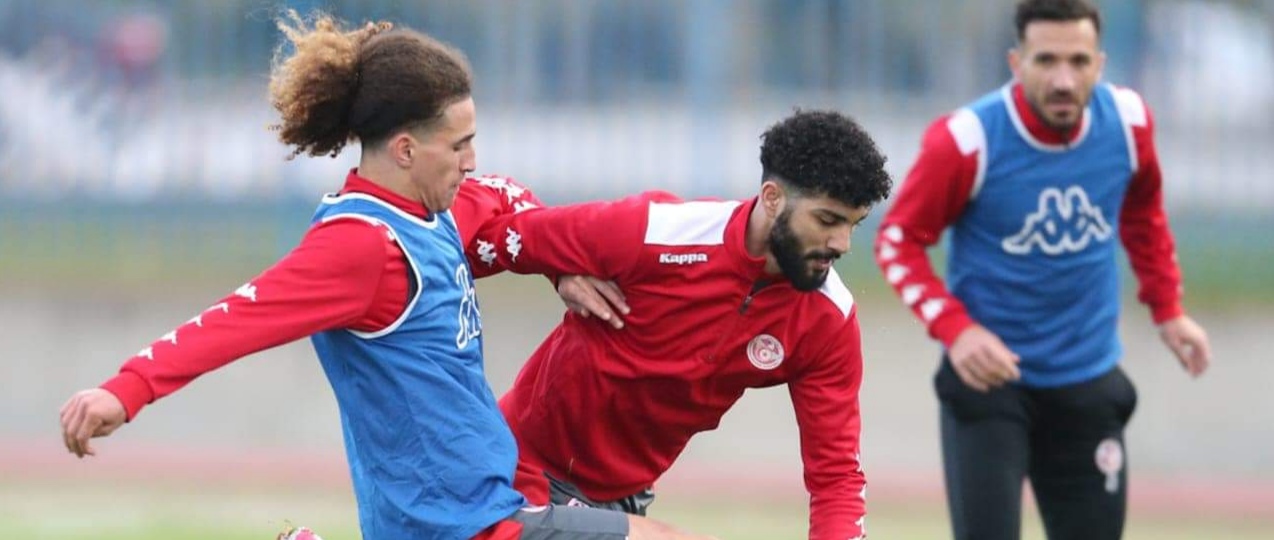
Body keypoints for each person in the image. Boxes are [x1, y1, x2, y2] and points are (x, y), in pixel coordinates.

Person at [57, 11, 715, 540]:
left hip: (487, 505)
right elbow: (239, 317)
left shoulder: (436, 212)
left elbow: (507, 198)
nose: (472, 160)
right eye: (459, 145)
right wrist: (127, 390)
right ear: (405, 149)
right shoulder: (359, 247)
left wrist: (558, 266)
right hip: (454, 524)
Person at [464, 109, 893, 540]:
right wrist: (558, 269)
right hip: (518, 469)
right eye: (827, 220)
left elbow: (836, 478)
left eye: (853, 224)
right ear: (772, 198)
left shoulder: (829, 320)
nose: (842, 244)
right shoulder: (656, 231)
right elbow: (497, 223)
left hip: (623, 500)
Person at [872, 1, 1213, 539]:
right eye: (1046, 60)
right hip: (990, 385)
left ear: (1099, 64)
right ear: (1016, 62)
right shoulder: (967, 140)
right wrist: (956, 330)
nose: (1063, 80)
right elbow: (897, 241)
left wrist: (1168, 308)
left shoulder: (1128, 123)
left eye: (1078, 61)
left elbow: (1143, 212)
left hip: (1087, 378)